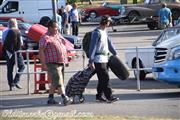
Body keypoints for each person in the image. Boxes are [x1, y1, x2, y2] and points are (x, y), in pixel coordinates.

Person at [39, 20, 71, 105]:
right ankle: (65, 97)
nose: (57, 29)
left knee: (55, 81)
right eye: (56, 27)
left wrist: (66, 59)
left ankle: (50, 98)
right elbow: (41, 50)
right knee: (58, 81)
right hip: (52, 63)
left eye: (57, 27)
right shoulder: (45, 37)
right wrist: (43, 64)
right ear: (50, 28)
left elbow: (63, 47)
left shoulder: (58, 35)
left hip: (61, 62)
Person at [88, 15, 119, 103]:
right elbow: (92, 48)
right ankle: (109, 97)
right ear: (105, 22)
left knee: (102, 78)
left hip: (105, 59)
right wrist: (91, 61)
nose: (109, 24)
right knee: (105, 78)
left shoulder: (104, 32)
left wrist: (115, 54)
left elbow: (110, 44)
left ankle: (99, 96)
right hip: (98, 60)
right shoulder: (96, 32)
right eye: (109, 22)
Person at [3, 18, 25, 91]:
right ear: (15, 24)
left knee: (10, 69)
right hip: (17, 52)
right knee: (22, 66)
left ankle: (11, 85)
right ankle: (16, 81)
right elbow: (21, 43)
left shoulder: (4, 31)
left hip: (8, 52)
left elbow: (3, 41)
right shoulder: (16, 31)